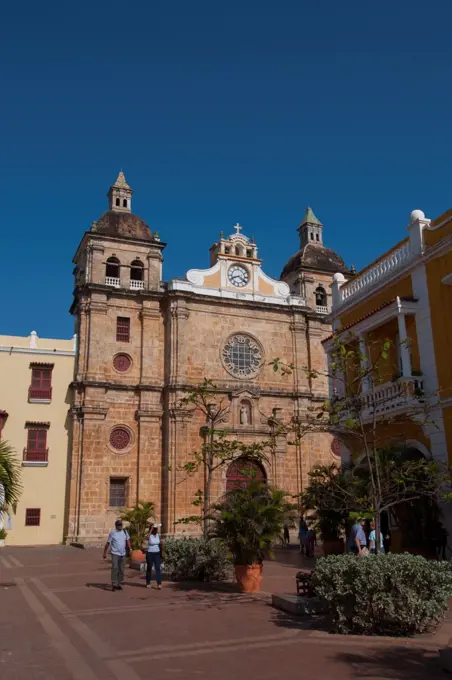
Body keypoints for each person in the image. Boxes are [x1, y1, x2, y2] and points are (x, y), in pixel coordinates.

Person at [103, 519, 131, 591]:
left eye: (121, 525)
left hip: (123, 553)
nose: (120, 526)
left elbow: (128, 540)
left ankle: (119, 583)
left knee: (121, 569)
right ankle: (114, 584)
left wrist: (130, 548)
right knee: (115, 568)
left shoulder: (125, 532)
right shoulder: (113, 533)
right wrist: (104, 553)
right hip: (115, 553)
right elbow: (108, 543)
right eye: (119, 525)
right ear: (116, 526)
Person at [145, 524, 164, 589]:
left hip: (157, 553)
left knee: (158, 568)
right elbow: (147, 538)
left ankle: (159, 583)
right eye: (154, 529)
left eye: (156, 529)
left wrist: (162, 550)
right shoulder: (150, 535)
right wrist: (151, 529)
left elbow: (160, 544)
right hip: (150, 553)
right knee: (149, 568)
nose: (156, 530)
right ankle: (148, 582)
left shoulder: (158, 535)